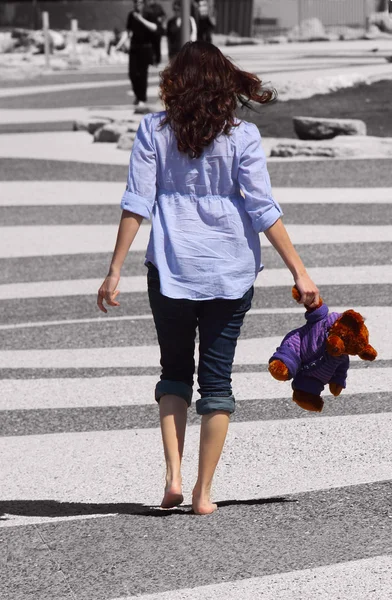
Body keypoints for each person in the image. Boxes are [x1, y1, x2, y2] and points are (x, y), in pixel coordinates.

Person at [97, 41, 320, 515]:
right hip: (230, 270)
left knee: (174, 371)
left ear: (175, 80)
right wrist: (299, 271)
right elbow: (262, 208)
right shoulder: (242, 136)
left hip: (171, 268)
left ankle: (173, 476)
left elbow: (137, 201)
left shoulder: (152, 130)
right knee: (217, 382)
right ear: (224, 82)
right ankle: (202, 493)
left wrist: (114, 269)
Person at [117, 0, 160, 108]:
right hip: (134, 48)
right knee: (132, 73)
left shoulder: (149, 14)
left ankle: (142, 98)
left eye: (139, 2)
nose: (137, 4)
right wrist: (120, 44)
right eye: (135, 2)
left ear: (143, 4)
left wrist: (140, 19)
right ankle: (137, 95)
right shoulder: (131, 15)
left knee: (142, 74)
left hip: (145, 48)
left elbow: (155, 28)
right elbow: (128, 31)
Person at [144, 0, 166, 65]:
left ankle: (158, 60)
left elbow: (164, 16)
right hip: (149, 32)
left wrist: (161, 19)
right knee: (150, 47)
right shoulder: (147, 8)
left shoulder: (158, 7)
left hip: (157, 31)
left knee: (157, 46)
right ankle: (151, 61)